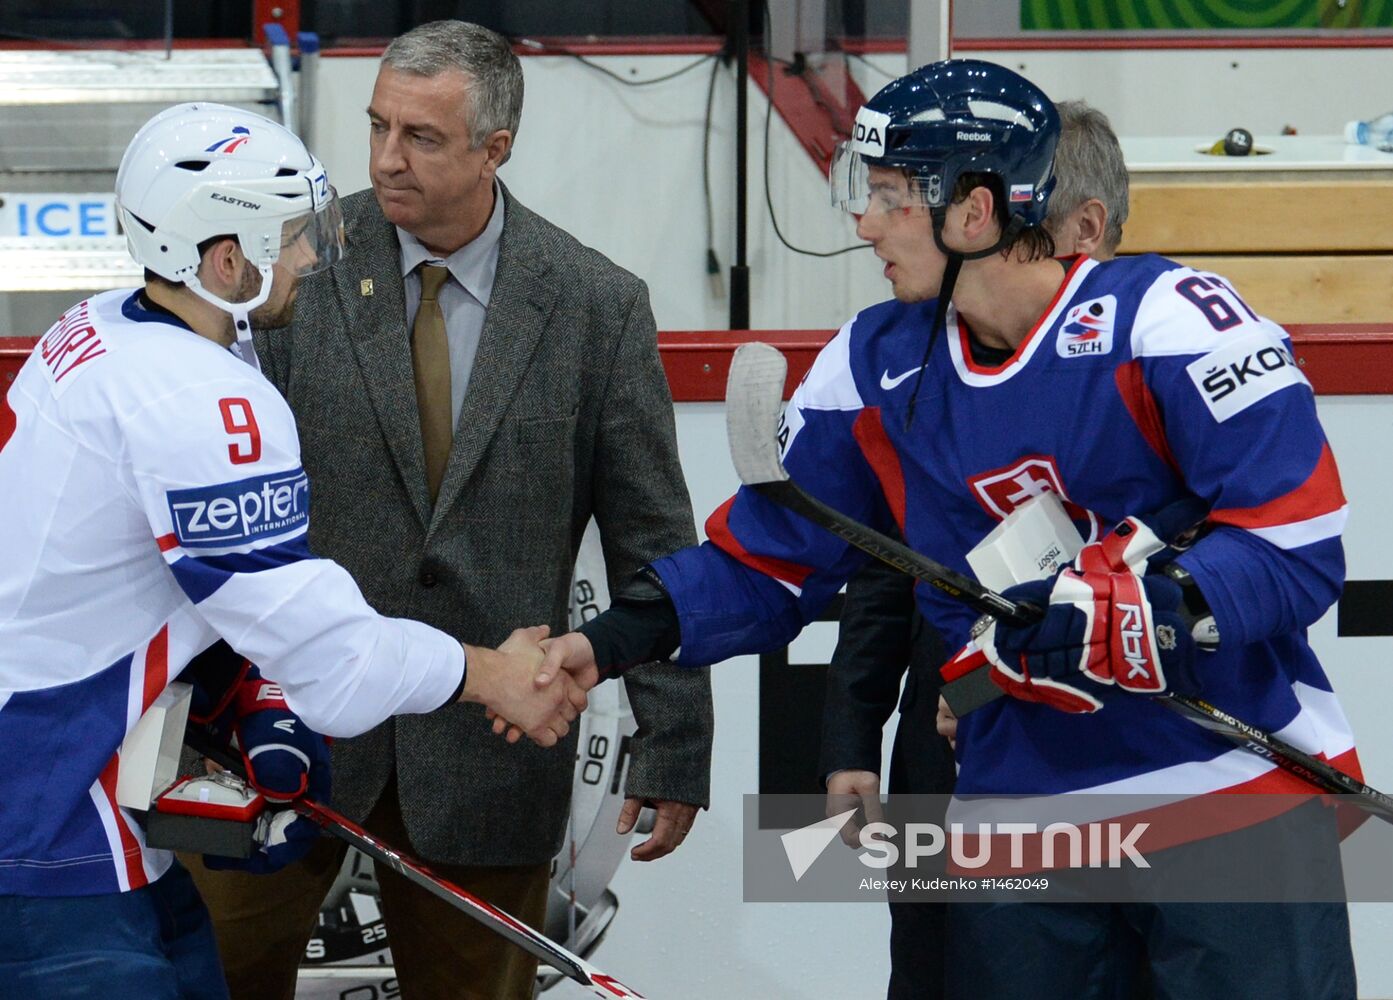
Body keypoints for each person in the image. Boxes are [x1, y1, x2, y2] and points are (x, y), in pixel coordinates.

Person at [536, 59, 1358, 1000]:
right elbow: (763, 561)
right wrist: (602, 645)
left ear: (974, 211)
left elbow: (1296, 541)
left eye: (888, 196)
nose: (863, 224)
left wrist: (1148, 606)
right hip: (1018, 816)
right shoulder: (870, 363)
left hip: (1224, 792)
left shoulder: (1169, 320)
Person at [0, 102, 581, 1000]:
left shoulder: (104, 324)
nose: (311, 255)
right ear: (225, 260)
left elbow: (141, 582)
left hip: (74, 808)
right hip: (46, 828)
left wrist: (241, 686)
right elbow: (336, 666)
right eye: (291, 235)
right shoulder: (199, 398)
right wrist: (491, 675)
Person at [187, 20, 713, 1000]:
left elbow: (653, 542)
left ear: (494, 149)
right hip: (274, 731)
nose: (386, 158)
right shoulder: (288, 270)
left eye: (420, 137)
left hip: (489, 758)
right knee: (205, 981)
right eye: (378, 126)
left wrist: (673, 739)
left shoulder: (596, 306)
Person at [819, 99, 1132, 1000]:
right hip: (947, 750)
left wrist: (995, 680)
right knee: (933, 970)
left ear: (1083, 224)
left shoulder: (1151, 366)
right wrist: (849, 737)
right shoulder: (924, 362)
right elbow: (888, 565)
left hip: (1110, 766)